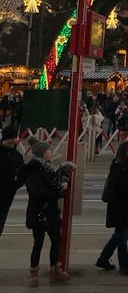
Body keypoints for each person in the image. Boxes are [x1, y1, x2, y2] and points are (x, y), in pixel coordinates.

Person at [20, 137, 74, 286]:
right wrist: (57, 191)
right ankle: (34, 274)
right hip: (38, 212)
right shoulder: (33, 170)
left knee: (56, 240)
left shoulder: (48, 167)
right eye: (49, 150)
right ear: (42, 153)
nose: (51, 152)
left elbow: (55, 183)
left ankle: (55, 270)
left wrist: (63, 182)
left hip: (50, 212)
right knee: (38, 242)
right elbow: (37, 191)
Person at [96, 140, 128, 275]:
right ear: (123, 152)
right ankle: (124, 265)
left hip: (127, 206)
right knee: (122, 236)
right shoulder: (118, 165)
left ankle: (103, 259)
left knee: (120, 236)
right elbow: (116, 184)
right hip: (118, 206)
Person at [0, 123, 24, 236]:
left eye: (14, 138)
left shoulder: (17, 156)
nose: (13, 141)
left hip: (6, 198)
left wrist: (15, 184)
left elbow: (22, 174)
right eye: (11, 138)